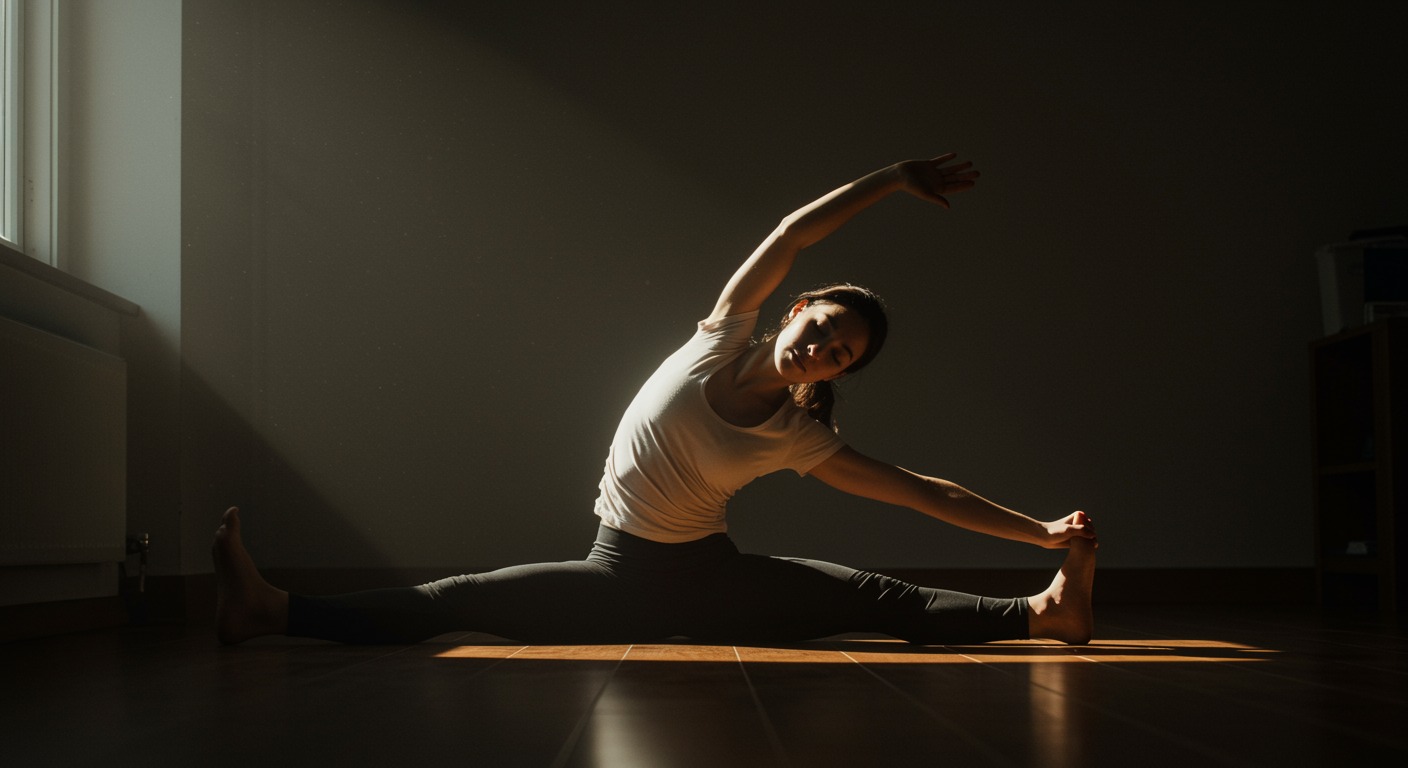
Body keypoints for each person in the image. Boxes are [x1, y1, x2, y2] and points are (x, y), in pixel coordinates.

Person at [213, 153, 1097, 647]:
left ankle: (1045, 610)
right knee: (457, 601)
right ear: (796, 311)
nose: (822, 348)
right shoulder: (720, 333)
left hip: (710, 580)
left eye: (839, 355)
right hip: (617, 573)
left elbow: (921, 492)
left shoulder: (796, 437)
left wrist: (1042, 532)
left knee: (870, 598)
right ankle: (273, 607)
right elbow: (792, 234)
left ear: (833, 376)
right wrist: (894, 180)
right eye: (823, 326)